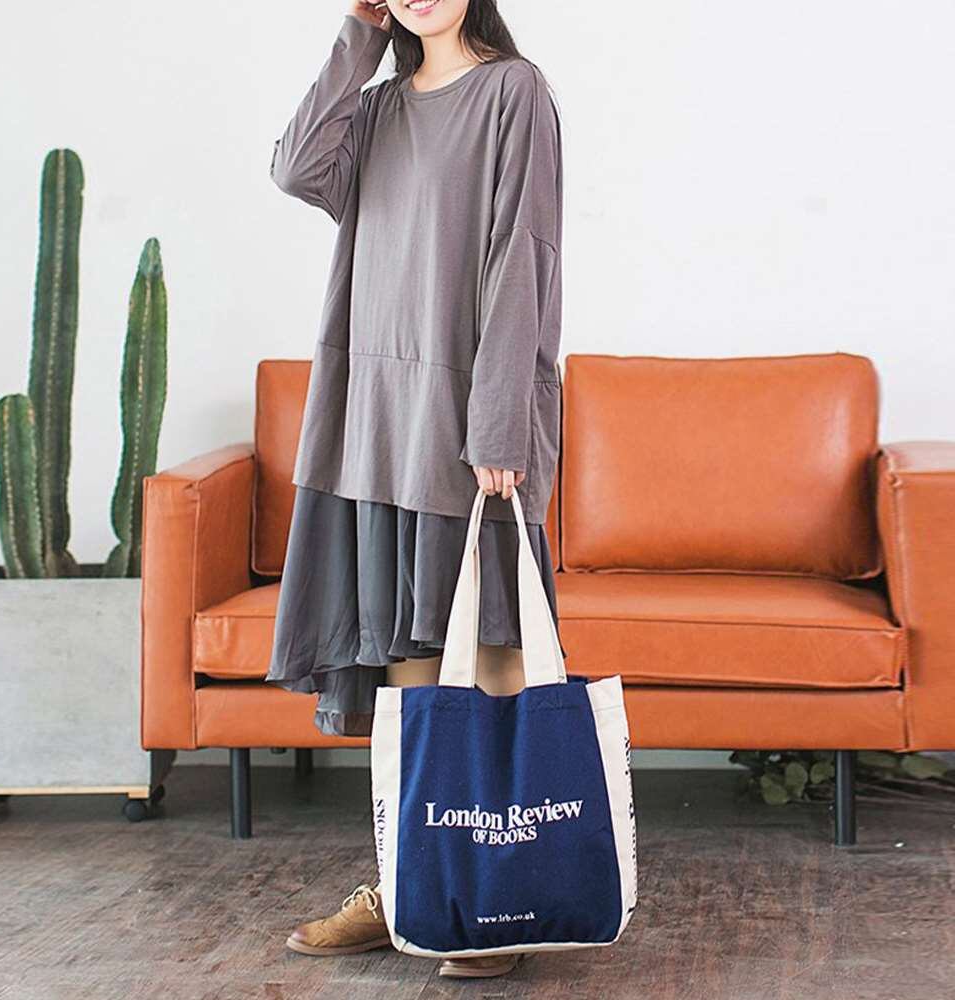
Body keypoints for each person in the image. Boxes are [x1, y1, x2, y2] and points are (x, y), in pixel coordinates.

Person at [263, 0, 565, 979]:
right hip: (374, 425)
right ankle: (413, 883)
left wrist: (499, 423)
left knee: (489, 650)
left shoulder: (513, 91)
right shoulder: (377, 105)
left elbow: (523, 254)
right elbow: (295, 169)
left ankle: (499, 896)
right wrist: (356, 37)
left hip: (468, 424)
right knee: (410, 667)